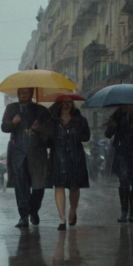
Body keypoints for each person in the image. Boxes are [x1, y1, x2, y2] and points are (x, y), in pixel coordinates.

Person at [34, 97, 90, 230]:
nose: (66, 105)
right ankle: (62, 219)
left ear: (72, 104)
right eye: (63, 103)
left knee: (74, 187)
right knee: (59, 186)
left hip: (75, 157)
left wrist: (75, 133)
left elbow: (86, 136)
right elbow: (46, 142)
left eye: (69, 103)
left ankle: (72, 210)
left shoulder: (80, 120)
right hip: (58, 157)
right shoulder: (52, 121)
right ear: (59, 105)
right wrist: (38, 130)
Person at [1, 87, 51, 228]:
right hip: (18, 152)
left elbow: (49, 132)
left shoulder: (41, 111)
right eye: (20, 93)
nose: (23, 95)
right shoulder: (11, 109)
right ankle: (23, 216)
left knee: (38, 186)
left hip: (37, 153)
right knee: (21, 186)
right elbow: (4, 127)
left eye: (26, 93)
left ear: (31, 94)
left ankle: (33, 210)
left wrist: (38, 129)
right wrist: (13, 123)